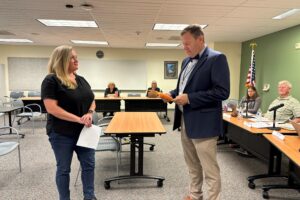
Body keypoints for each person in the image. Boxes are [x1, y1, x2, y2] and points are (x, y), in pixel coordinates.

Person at [165, 25, 230, 200]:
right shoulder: (186, 61)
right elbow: (183, 88)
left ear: (200, 39)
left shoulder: (217, 59)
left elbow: (222, 92)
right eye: (183, 44)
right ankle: (195, 195)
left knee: (209, 168)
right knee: (192, 164)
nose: (184, 47)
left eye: (187, 44)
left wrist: (190, 98)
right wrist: (171, 94)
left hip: (205, 124)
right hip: (186, 120)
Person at [41, 45, 97, 200]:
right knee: (64, 169)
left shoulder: (81, 80)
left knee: (89, 165)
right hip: (62, 133)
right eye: (72, 57)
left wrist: (90, 113)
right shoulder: (51, 80)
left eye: (76, 57)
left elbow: (92, 100)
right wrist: (78, 119)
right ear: (62, 60)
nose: (76, 60)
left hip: (85, 131)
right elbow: (52, 108)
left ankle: (89, 196)